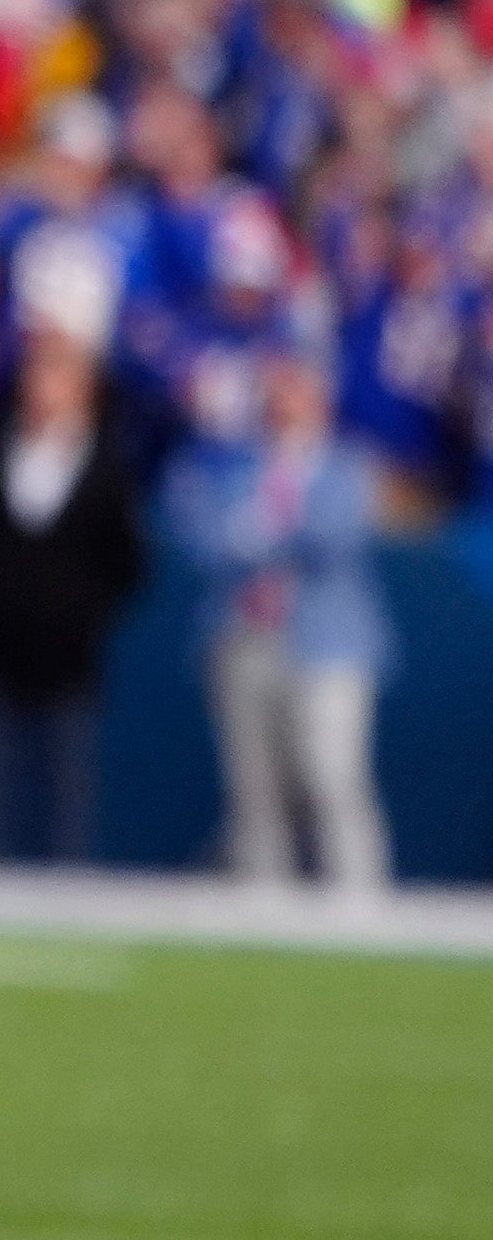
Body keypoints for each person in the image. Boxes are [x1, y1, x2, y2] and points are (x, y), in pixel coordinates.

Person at [0, 316, 152, 867]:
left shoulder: (107, 468)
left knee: (69, 792)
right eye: (39, 373)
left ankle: (69, 893)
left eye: (61, 374)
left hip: (70, 656)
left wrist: (81, 612)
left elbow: (127, 562)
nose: (46, 387)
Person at [173, 345, 391, 891]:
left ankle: (360, 905)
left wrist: (256, 537)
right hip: (244, 637)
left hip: (326, 644)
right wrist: (254, 539)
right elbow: (201, 536)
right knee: (253, 789)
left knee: (332, 776)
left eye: (299, 387)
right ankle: (263, 910)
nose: (286, 400)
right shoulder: (234, 465)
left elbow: (332, 537)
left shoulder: (348, 469)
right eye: (279, 386)